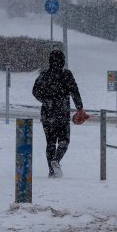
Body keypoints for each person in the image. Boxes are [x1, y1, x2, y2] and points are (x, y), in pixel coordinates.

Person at [31, 49, 85, 178]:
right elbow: (74, 91)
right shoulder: (66, 75)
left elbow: (35, 91)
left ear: (50, 61)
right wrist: (79, 108)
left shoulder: (44, 75)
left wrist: (46, 101)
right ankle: (56, 159)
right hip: (62, 112)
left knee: (50, 143)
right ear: (63, 62)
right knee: (64, 140)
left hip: (47, 114)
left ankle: (51, 170)